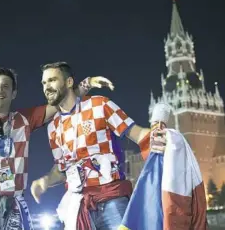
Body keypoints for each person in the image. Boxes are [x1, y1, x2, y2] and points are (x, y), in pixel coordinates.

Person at [0, 66, 112, 230]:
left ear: (13, 93)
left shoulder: (23, 120)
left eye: (5, 86)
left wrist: (88, 83)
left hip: (12, 209)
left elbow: (60, 103)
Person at [31, 62, 167, 230]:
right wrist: (45, 181)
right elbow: (61, 169)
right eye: (44, 83)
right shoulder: (53, 127)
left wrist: (159, 136)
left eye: (52, 80)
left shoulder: (100, 105)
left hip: (112, 200)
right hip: (79, 206)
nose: (47, 87)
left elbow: (136, 133)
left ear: (69, 82)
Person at [119, 103, 208, 230]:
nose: (157, 129)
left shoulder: (173, 139)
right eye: (155, 125)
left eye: (159, 125)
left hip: (163, 194)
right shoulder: (168, 140)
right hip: (159, 193)